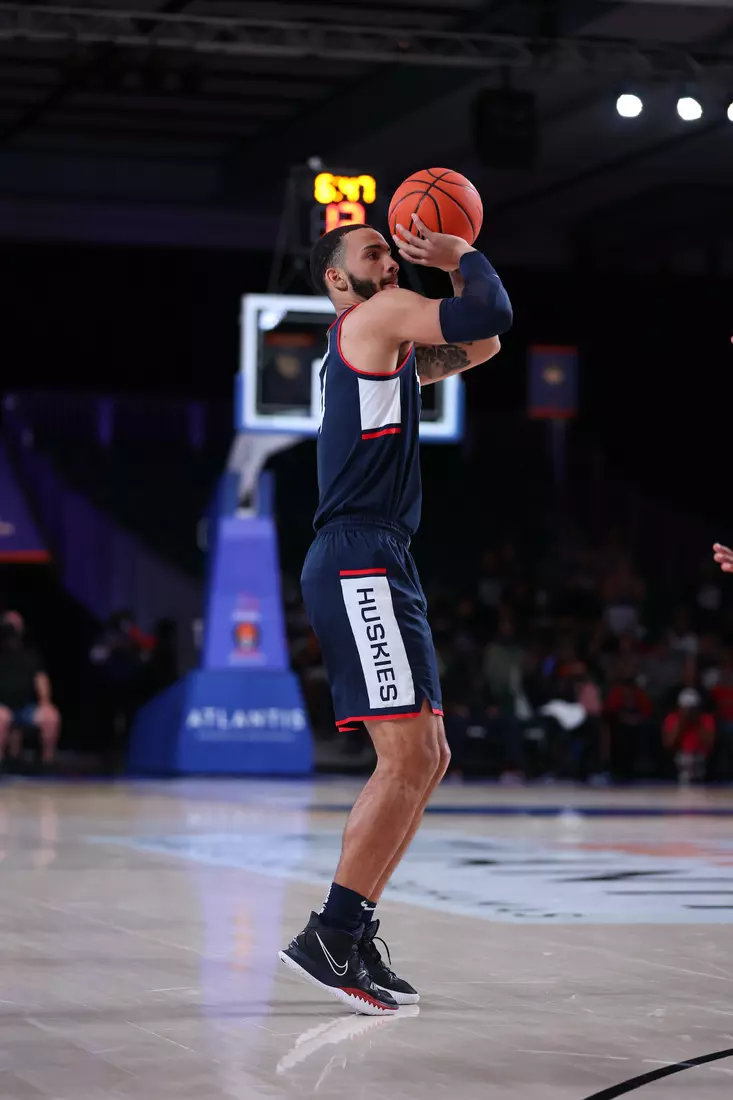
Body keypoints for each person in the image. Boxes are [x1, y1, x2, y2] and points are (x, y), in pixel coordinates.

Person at [279, 215, 512, 1015]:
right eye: (372, 252)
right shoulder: (371, 317)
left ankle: (351, 928)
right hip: (359, 557)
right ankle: (329, 934)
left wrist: (445, 277)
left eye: (391, 246)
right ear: (337, 282)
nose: (387, 259)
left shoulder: (391, 353)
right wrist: (459, 254)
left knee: (430, 754)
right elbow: (493, 316)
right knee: (407, 758)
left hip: (381, 555)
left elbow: (479, 347)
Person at [0, 611, 61, 770]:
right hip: (3, 707)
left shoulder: (30, 655)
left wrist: (45, 702)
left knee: (51, 717)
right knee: (2, 717)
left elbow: (41, 679)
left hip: (25, 707)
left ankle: (47, 763)